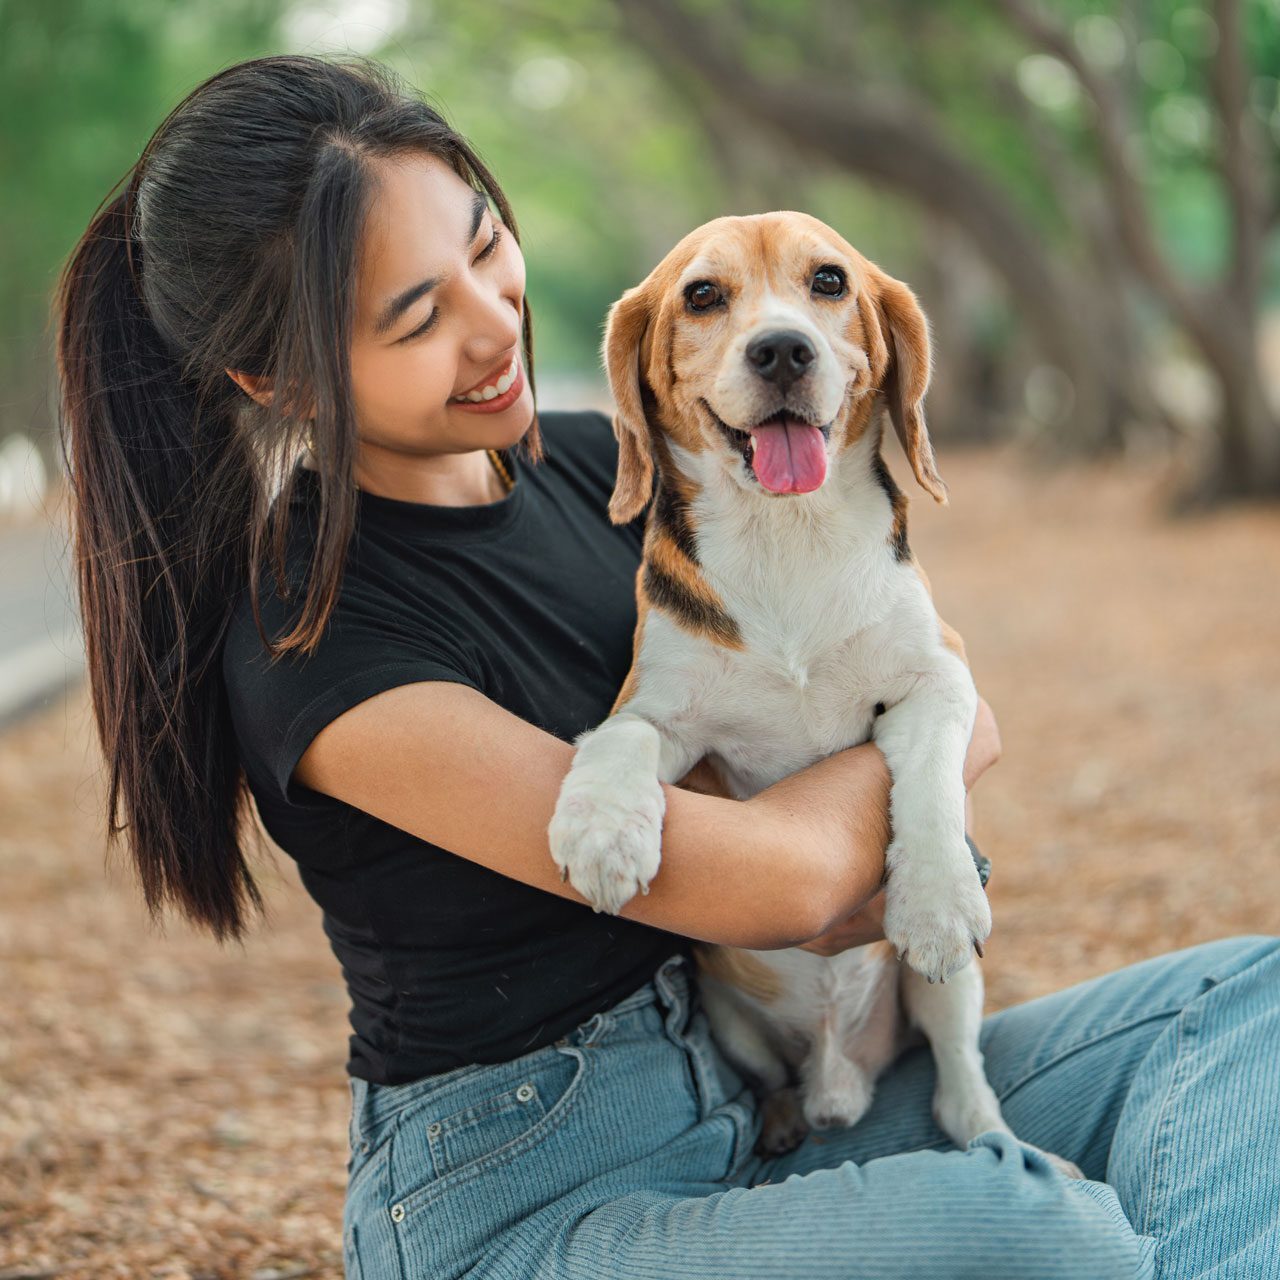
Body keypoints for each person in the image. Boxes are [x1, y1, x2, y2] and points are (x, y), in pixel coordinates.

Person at [53, 53, 1279, 1280]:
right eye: (417, 315)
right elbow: (784, 880)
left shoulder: (610, 472)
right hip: (531, 1196)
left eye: (485, 248)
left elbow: (948, 681)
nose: (493, 326)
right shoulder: (313, 638)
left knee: (1253, 1009)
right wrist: (908, 802)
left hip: (777, 1086)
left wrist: (914, 756)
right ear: (279, 377)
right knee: (1039, 1234)